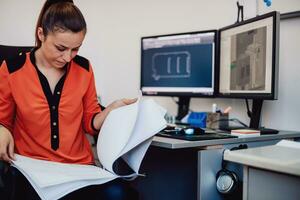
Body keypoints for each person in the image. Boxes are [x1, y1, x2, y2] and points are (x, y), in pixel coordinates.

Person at [0, 0, 138, 199]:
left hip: (79, 169)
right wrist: (1, 128)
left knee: (120, 193)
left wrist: (112, 109)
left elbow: (91, 123)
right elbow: (3, 118)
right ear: (41, 35)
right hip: (33, 169)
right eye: (61, 48)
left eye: (75, 49)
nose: (68, 57)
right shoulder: (11, 69)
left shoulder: (84, 68)